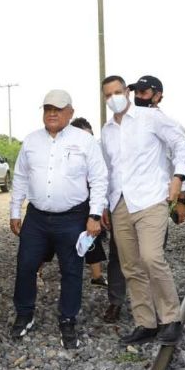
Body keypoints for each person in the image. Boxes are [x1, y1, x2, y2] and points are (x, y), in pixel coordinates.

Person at [9, 91, 107, 348]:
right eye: (48, 108)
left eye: (58, 108)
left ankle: (68, 319)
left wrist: (94, 215)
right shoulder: (31, 141)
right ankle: (25, 313)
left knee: (72, 271)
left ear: (70, 112)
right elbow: (19, 178)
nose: (52, 113)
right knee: (26, 266)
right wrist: (14, 211)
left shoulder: (85, 141)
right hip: (37, 218)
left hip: (73, 218)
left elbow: (99, 179)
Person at [100, 76, 185, 346]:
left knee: (151, 258)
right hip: (120, 203)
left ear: (127, 92)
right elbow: (108, 170)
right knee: (131, 267)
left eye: (118, 91)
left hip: (151, 199)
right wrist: (105, 204)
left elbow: (181, 146)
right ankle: (146, 323)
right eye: (108, 94)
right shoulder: (106, 130)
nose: (114, 97)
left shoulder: (151, 118)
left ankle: (171, 319)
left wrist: (178, 178)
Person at [70, 115, 127, 323]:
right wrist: (101, 206)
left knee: (149, 258)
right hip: (105, 203)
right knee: (115, 254)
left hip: (143, 202)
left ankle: (152, 303)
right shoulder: (105, 137)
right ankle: (116, 301)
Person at [128, 76, 185, 225]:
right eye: (135, 93)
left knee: (152, 247)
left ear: (157, 96)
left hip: (155, 199)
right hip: (128, 200)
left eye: (143, 93)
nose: (138, 97)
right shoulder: (126, 123)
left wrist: (181, 200)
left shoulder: (169, 125)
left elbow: (180, 157)